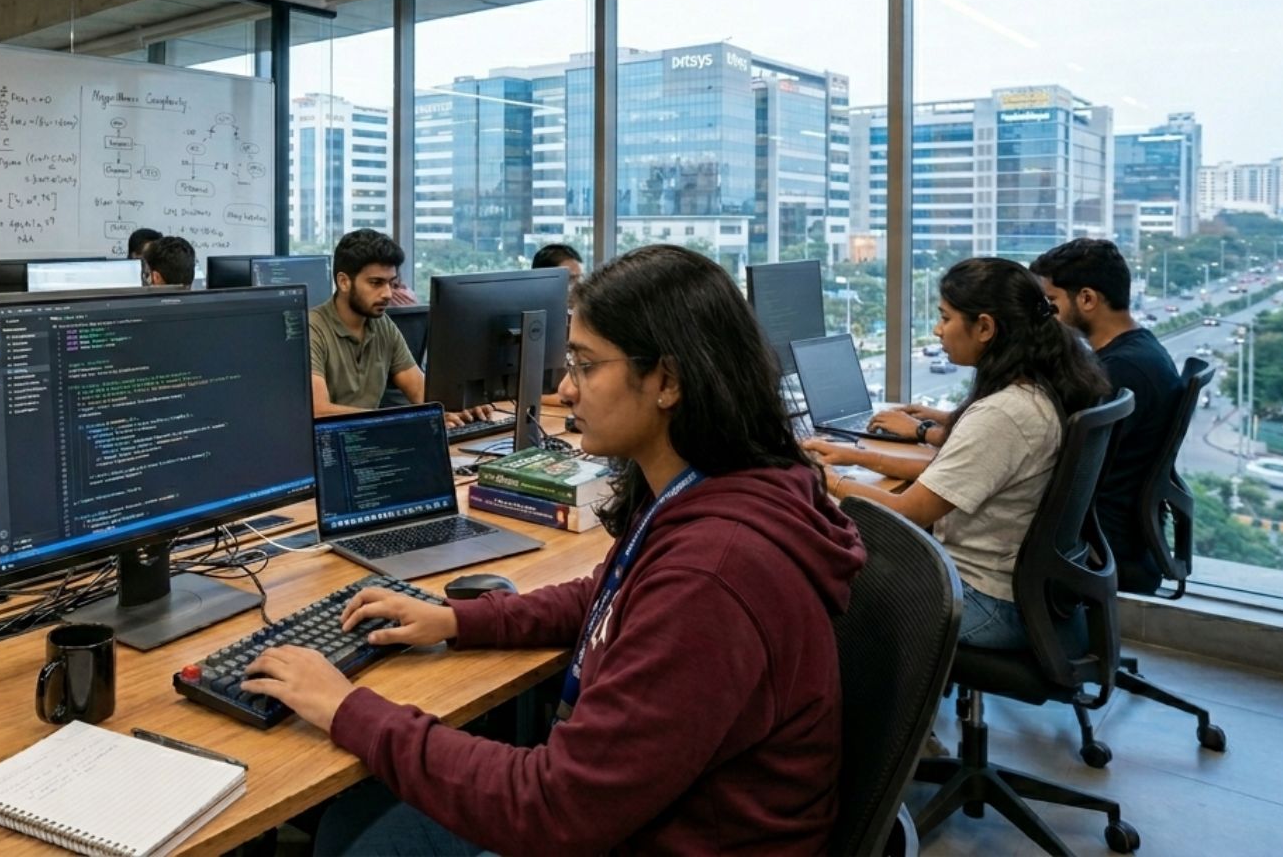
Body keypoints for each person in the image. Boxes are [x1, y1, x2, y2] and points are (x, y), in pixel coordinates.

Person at [245, 244, 865, 854]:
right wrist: (456, 618)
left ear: (668, 380)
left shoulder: (712, 574)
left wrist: (348, 706)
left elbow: (551, 808)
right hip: (658, 812)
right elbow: (605, 596)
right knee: (358, 820)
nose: (565, 390)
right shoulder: (706, 491)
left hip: (660, 834)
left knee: (364, 839)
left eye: (586, 365)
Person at [809, 257, 1109, 648]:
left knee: (819, 582)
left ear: (985, 327)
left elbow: (908, 511)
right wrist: (855, 457)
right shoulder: (1036, 388)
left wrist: (824, 478)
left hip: (984, 602)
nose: (937, 330)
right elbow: (947, 470)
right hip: (1014, 589)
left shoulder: (1004, 413)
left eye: (945, 317)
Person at [1031, 238, 1184, 593]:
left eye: (1051, 302)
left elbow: (1046, 454)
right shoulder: (1139, 352)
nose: (1046, 314)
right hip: (1118, 531)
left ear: (1086, 299)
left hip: (1096, 540)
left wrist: (927, 434)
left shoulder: (1121, 371)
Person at [309, 229, 486, 425]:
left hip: (373, 437)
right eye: (376, 283)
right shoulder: (312, 330)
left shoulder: (382, 324)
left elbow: (419, 390)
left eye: (391, 284)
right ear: (344, 282)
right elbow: (318, 410)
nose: (387, 294)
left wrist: (460, 407)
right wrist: (401, 422)